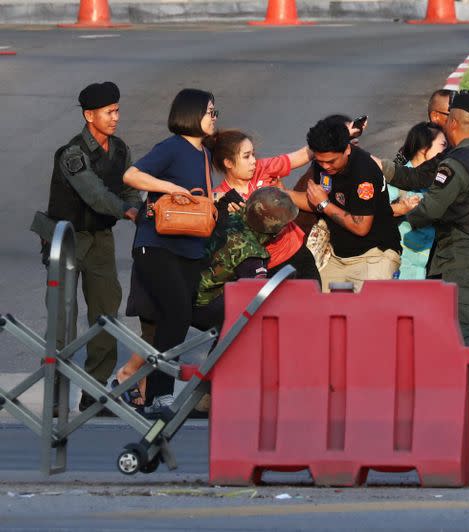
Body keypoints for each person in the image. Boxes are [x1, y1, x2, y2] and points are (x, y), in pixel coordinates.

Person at [394, 93, 469, 424]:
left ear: (454, 123)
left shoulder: (455, 164)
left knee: (462, 330)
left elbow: (431, 208)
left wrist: (411, 212)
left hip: (463, 258)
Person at [30, 81, 142, 413]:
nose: (115, 117)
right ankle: (54, 393)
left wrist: (134, 203)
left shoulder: (120, 150)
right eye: (108, 112)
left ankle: (95, 391)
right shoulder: (73, 153)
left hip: (100, 241)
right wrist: (127, 210)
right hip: (66, 239)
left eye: (117, 110)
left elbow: (130, 187)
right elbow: (94, 194)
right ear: (89, 115)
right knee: (62, 320)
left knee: (105, 315)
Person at [122, 88, 217, 417]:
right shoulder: (172, 148)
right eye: (209, 111)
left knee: (201, 317)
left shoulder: (203, 153)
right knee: (175, 315)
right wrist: (170, 187)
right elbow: (131, 175)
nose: (214, 117)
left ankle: (184, 392)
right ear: (191, 114)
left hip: (191, 248)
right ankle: (158, 397)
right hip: (157, 245)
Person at [291, 117, 403, 292]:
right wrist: (282, 194)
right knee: (317, 310)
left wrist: (324, 204)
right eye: (320, 161)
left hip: (375, 255)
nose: (326, 167)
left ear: (348, 149)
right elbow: (315, 201)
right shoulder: (323, 163)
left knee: (365, 314)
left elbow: (360, 227)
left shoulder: (363, 173)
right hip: (338, 257)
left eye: (331, 161)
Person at [206, 129, 320, 283]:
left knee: (313, 304)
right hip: (266, 269)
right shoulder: (221, 198)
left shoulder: (263, 168)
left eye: (253, 154)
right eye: (246, 156)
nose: (253, 160)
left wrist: (336, 134)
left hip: (297, 254)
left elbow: (301, 156)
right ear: (228, 163)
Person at [193, 187, 300, 332]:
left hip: (185, 289)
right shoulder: (253, 255)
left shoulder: (228, 215)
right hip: (203, 305)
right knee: (252, 314)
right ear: (275, 228)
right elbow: (256, 299)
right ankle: (223, 353)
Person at [387, 122, 447, 279]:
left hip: (430, 270)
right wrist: (399, 209)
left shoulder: (441, 182)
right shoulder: (397, 182)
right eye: (443, 145)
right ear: (423, 148)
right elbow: (375, 213)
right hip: (401, 271)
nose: (446, 152)